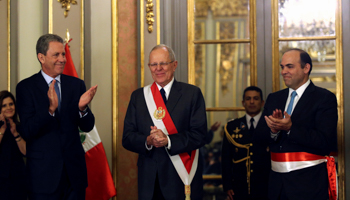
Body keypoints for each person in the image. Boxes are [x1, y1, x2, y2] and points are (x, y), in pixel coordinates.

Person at [16, 34, 97, 200]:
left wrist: (82, 109)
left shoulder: (76, 85)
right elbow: (27, 130)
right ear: (41, 57)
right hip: (43, 177)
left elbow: (87, 126)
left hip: (74, 176)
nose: (62, 59)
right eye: (56, 55)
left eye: (63, 54)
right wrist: (50, 110)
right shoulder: (26, 88)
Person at [122, 44, 207, 200]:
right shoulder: (139, 97)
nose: (158, 68)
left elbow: (199, 135)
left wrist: (168, 140)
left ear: (174, 65)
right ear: (149, 67)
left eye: (163, 63)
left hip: (180, 177)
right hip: (149, 180)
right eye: (154, 64)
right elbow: (127, 138)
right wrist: (147, 140)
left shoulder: (192, 94)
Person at [263, 48, 338, 200]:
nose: (284, 71)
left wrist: (290, 128)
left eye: (289, 66)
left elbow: (325, 141)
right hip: (276, 184)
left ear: (306, 68)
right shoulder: (274, 98)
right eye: (282, 67)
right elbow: (259, 138)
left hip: (309, 183)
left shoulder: (324, 98)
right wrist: (274, 131)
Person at [221, 86, 270, 200]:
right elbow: (226, 159)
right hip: (240, 187)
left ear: (262, 102)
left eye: (256, 98)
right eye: (248, 99)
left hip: (266, 186)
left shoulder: (270, 125)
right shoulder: (232, 127)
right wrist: (227, 185)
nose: (252, 102)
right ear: (243, 102)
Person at [0, 90, 27, 200]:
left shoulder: (20, 126)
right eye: (4, 105)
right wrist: (2, 130)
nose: (9, 108)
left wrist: (16, 134)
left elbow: (25, 151)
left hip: (18, 178)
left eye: (11, 104)